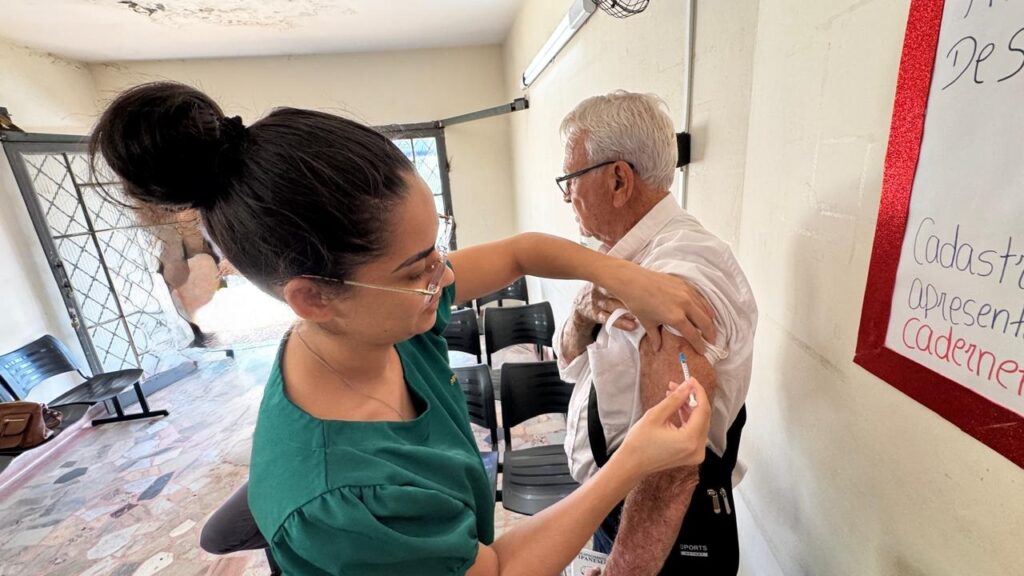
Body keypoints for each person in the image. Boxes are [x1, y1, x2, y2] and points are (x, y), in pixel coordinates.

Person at [90, 82, 716, 576]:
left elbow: (520, 252)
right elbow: (494, 570)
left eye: (437, 248)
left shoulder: (382, 324)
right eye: (418, 267)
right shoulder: (347, 500)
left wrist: (624, 277)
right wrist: (631, 464)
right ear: (313, 298)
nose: (443, 276)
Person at [554, 91, 758, 575]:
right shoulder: (619, 259)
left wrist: (625, 570)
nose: (566, 196)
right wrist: (584, 315)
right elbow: (570, 364)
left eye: (569, 180)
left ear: (619, 179)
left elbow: (674, 454)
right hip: (622, 513)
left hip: (659, 531)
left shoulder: (683, 267)